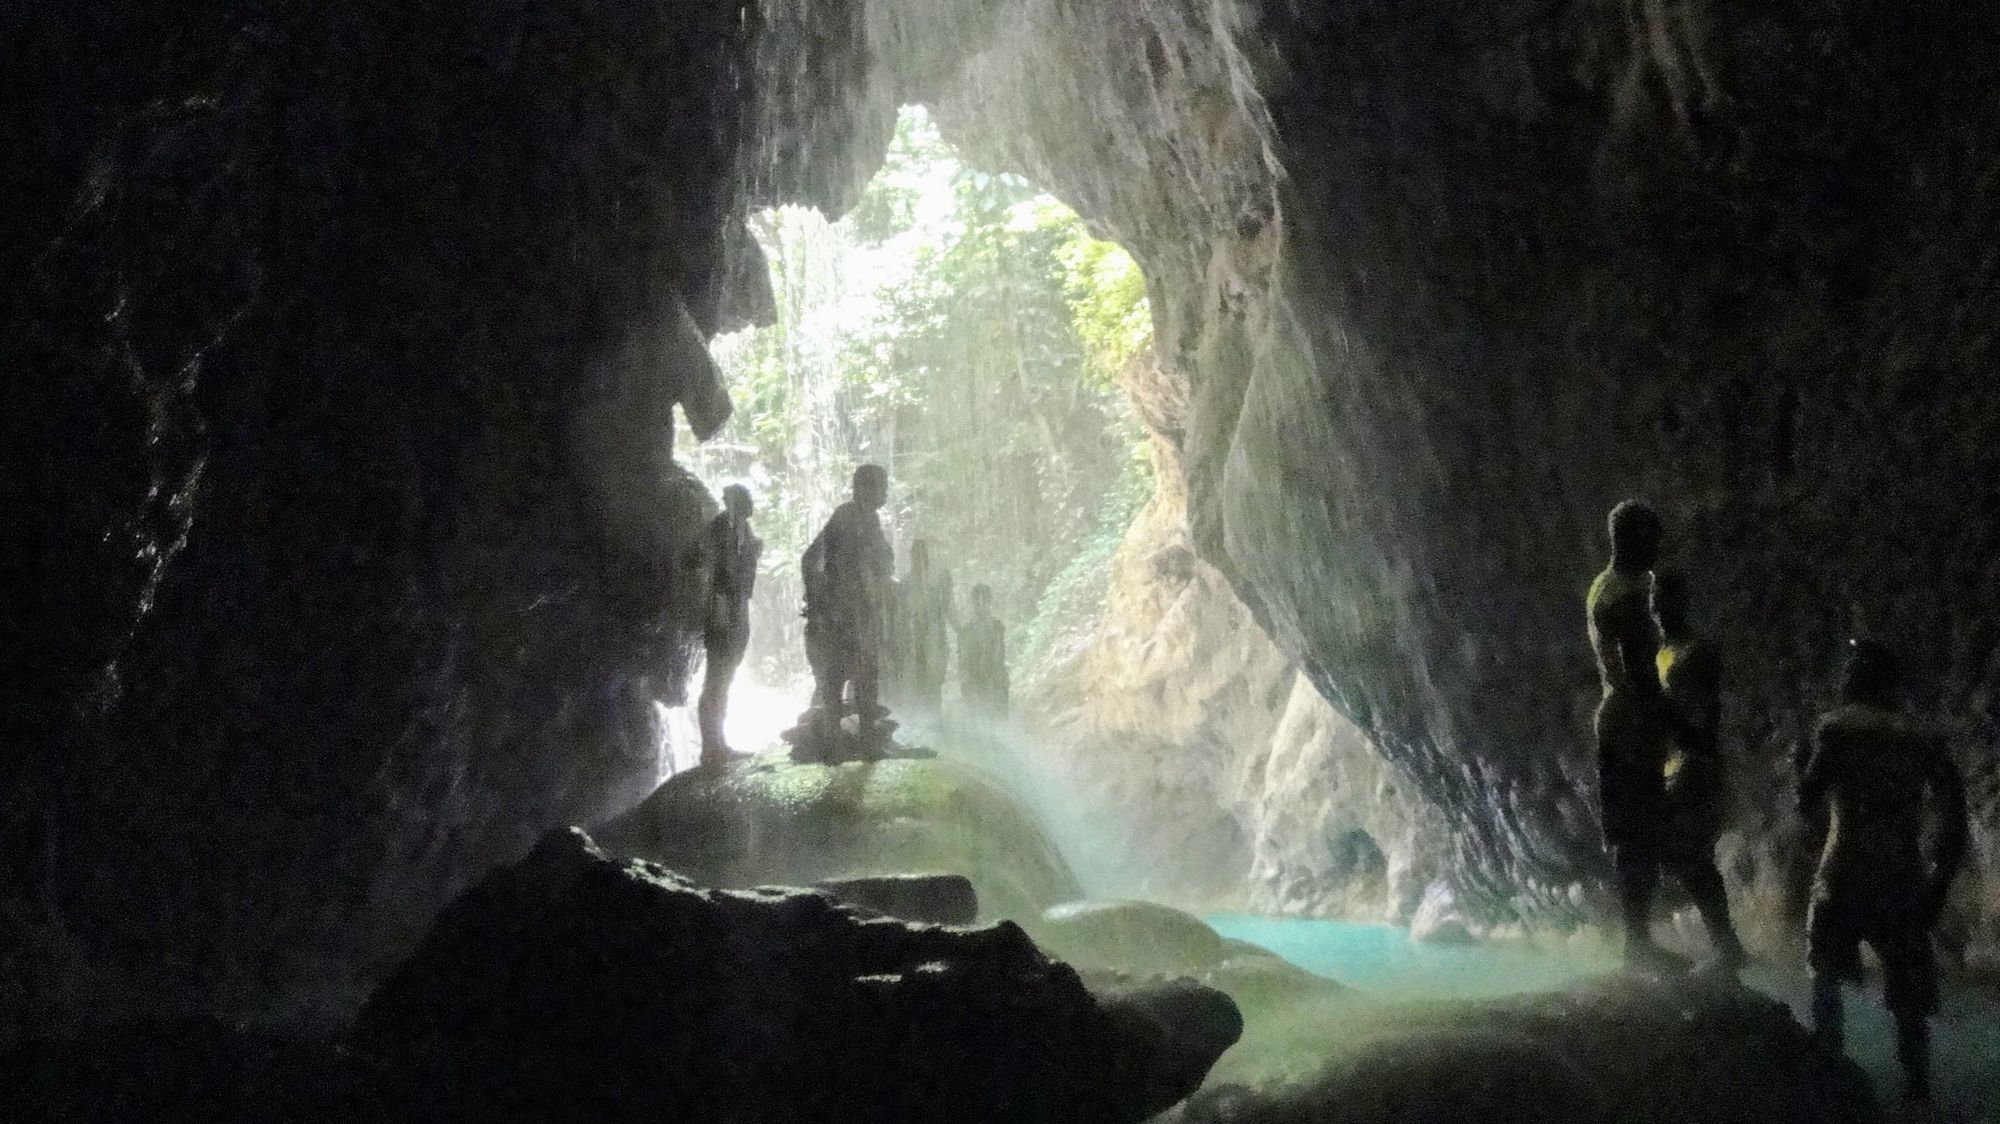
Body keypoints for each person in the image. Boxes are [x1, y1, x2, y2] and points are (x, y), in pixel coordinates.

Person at [1799, 639, 1968, 1103]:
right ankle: (1917, 1093)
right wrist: (1938, 885)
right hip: (1902, 881)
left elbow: (1806, 798)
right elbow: (1955, 818)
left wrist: (1805, 772)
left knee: (1826, 981)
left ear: (1855, 678)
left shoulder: (1835, 729)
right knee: (1910, 1004)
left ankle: (1830, 1083)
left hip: (1844, 875)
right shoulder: (1920, 739)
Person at [1585, 498, 1681, 970]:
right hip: (1630, 725)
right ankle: (1637, 946)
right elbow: (1637, 672)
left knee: (1637, 835)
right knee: (1636, 836)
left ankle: (1638, 942)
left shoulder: (1609, 587)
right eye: (1651, 540)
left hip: (1624, 721)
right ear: (1631, 540)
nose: (1657, 549)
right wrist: (1674, 722)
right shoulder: (1622, 597)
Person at [1647, 571, 1748, 971]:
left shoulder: (1699, 651)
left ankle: (1727, 945)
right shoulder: (1659, 655)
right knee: (1678, 854)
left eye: (1662, 600)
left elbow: (1705, 713)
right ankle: (1725, 944)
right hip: (1669, 763)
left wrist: (1693, 756)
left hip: (1694, 763)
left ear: (1679, 601)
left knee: (1688, 852)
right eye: (1652, 602)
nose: (1655, 609)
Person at [801, 464, 893, 726]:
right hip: (843, 611)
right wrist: (818, 604)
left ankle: (863, 729)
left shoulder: (867, 518)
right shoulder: (847, 516)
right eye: (882, 487)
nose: (886, 493)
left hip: (858, 609)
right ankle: (837, 733)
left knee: (864, 671)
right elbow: (810, 558)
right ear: (865, 488)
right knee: (842, 672)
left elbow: (878, 560)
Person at [697, 484, 761, 766]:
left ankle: (720, 743)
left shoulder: (743, 531)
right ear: (732, 503)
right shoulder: (720, 528)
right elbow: (715, 570)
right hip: (722, 607)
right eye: (743, 501)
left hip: (737, 607)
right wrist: (720, 610)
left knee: (726, 679)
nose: (750, 507)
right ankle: (711, 746)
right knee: (717, 678)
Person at [899, 540, 953, 712]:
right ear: (912, 558)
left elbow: (949, 607)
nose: (920, 560)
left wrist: (961, 631)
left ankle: (934, 717)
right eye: (916, 556)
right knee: (920, 682)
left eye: (923, 556)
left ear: (927, 557)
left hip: (936, 638)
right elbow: (902, 615)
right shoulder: (906, 583)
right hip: (916, 641)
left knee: (935, 681)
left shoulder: (940, 579)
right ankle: (924, 719)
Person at [956, 583, 1008, 715]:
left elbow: (1000, 655)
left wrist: (999, 679)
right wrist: (966, 683)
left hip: (995, 681)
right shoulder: (967, 630)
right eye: (977, 603)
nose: (981, 607)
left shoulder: (997, 627)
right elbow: (963, 660)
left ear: (989, 602)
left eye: (984, 602)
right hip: (975, 681)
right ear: (973, 604)